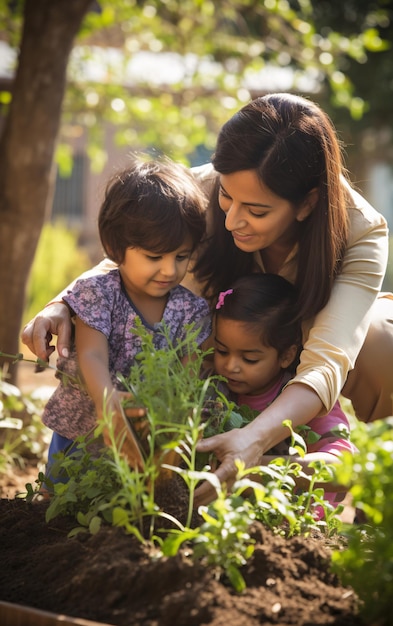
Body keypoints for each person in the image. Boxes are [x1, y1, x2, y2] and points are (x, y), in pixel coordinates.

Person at [22, 93, 391, 505]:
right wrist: (62, 303)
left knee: (382, 339)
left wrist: (253, 440)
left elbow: (327, 361)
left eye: (256, 210)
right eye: (227, 197)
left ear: (306, 203)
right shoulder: (200, 188)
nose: (232, 219)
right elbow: (131, 254)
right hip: (215, 346)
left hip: (298, 350)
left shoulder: (361, 232)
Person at [41, 156, 211, 481]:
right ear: (116, 247)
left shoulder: (191, 311)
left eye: (181, 256)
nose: (170, 270)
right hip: (87, 424)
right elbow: (91, 353)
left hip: (149, 430)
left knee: (131, 501)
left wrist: (171, 418)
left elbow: (189, 377)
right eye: (154, 257)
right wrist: (109, 406)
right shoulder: (99, 294)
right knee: (64, 500)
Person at [213, 273, 354, 514]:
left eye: (249, 358)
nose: (230, 366)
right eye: (221, 351)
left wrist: (261, 468)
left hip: (294, 520)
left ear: (286, 356)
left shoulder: (304, 400)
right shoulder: (213, 389)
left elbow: (345, 468)